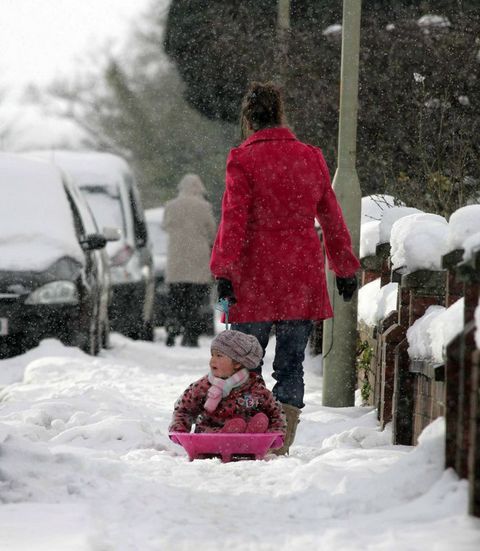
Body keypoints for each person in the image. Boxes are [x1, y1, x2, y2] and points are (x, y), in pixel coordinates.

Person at [210, 81, 360, 455]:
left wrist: (223, 270)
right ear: (280, 114)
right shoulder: (310, 157)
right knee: (291, 365)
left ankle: (250, 430)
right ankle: (280, 438)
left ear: (249, 119)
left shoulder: (243, 159)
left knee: (247, 363)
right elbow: (331, 215)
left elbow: (233, 219)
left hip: (254, 275)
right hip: (300, 273)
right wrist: (344, 266)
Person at [169, 330, 286, 437]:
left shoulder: (254, 387)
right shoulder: (204, 386)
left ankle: (252, 434)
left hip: (247, 439)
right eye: (212, 355)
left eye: (219, 356)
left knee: (261, 419)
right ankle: (231, 435)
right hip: (209, 438)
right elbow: (184, 409)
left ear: (237, 364)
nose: (212, 361)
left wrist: (276, 433)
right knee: (210, 431)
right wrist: (179, 430)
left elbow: (275, 411)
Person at [162, 173, 217, 347]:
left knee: (177, 298)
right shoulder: (204, 207)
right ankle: (191, 334)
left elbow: (165, 225)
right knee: (195, 300)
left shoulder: (171, 206)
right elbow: (212, 232)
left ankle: (173, 327)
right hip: (198, 260)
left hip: (176, 260)